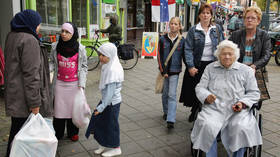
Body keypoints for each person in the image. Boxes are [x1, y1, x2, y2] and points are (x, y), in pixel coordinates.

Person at [191, 40, 262, 157]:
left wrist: (242, 103)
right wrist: (206, 96)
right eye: (224, 54)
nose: (227, 56)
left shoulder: (246, 70)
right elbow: (200, 88)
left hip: (237, 111)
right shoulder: (210, 68)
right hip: (214, 109)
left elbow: (254, 92)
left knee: (241, 127)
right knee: (207, 125)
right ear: (218, 55)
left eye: (230, 53)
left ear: (236, 55)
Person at [4, 9, 53, 157]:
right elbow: (31, 75)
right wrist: (35, 104)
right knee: (23, 135)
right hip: (25, 99)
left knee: (17, 131)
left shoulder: (12, 36)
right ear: (31, 24)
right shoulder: (29, 40)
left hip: (14, 93)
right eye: (38, 24)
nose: (39, 27)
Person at [179, 3, 224, 122]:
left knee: (211, 90)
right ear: (199, 15)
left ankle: (206, 113)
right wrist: (190, 66)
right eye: (203, 13)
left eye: (208, 13)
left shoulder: (217, 29)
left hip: (213, 65)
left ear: (211, 15)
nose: (205, 15)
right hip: (197, 66)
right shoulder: (194, 30)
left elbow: (222, 46)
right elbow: (188, 49)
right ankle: (195, 110)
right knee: (196, 90)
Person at [49, 22, 88, 141]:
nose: (64, 34)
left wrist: (81, 84)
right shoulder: (55, 46)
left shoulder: (80, 48)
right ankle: (58, 132)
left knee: (73, 110)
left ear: (73, 34)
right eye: (62, 31)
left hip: (74, 85)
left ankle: (73, 132)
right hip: (59, 84)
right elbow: (51, 61)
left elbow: (84, 66)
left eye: (67, 32)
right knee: (59, 110)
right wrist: (48, 70)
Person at [229, 6, 271, 109]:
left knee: (254, 99)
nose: (249, 20)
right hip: (237, 71)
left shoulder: (264, 36)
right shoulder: (236, 35)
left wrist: (254, 66)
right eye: (247, 18)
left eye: (253, 18)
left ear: (258, 21)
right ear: (244, 20)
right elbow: (227, 49)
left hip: (255, 71)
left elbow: (266, 55)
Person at [86, 42, 124, 157]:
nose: (100, 57)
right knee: (101, 123)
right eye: (100, 54)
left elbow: (110, 94)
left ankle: (116, 147)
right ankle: (103, 144)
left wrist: (101, 108)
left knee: (111, 125)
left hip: (111, 103)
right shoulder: (108, 65)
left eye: (103, 55)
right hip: (107, 101)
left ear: (110, 55)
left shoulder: (113, 70)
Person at [157, 17, 187, 129]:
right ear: (169, 25)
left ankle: (171, 119)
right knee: (165, 94)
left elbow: (185, 56)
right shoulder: (162, 39)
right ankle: (166, 111)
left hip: (175, 71)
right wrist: (163, 70)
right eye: (172, 24)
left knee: (172, 94)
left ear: (179, 26)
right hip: (164, 71)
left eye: (176, 24)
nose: (173, 26)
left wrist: (190, 67)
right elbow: (159, 56)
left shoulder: (182, 41)